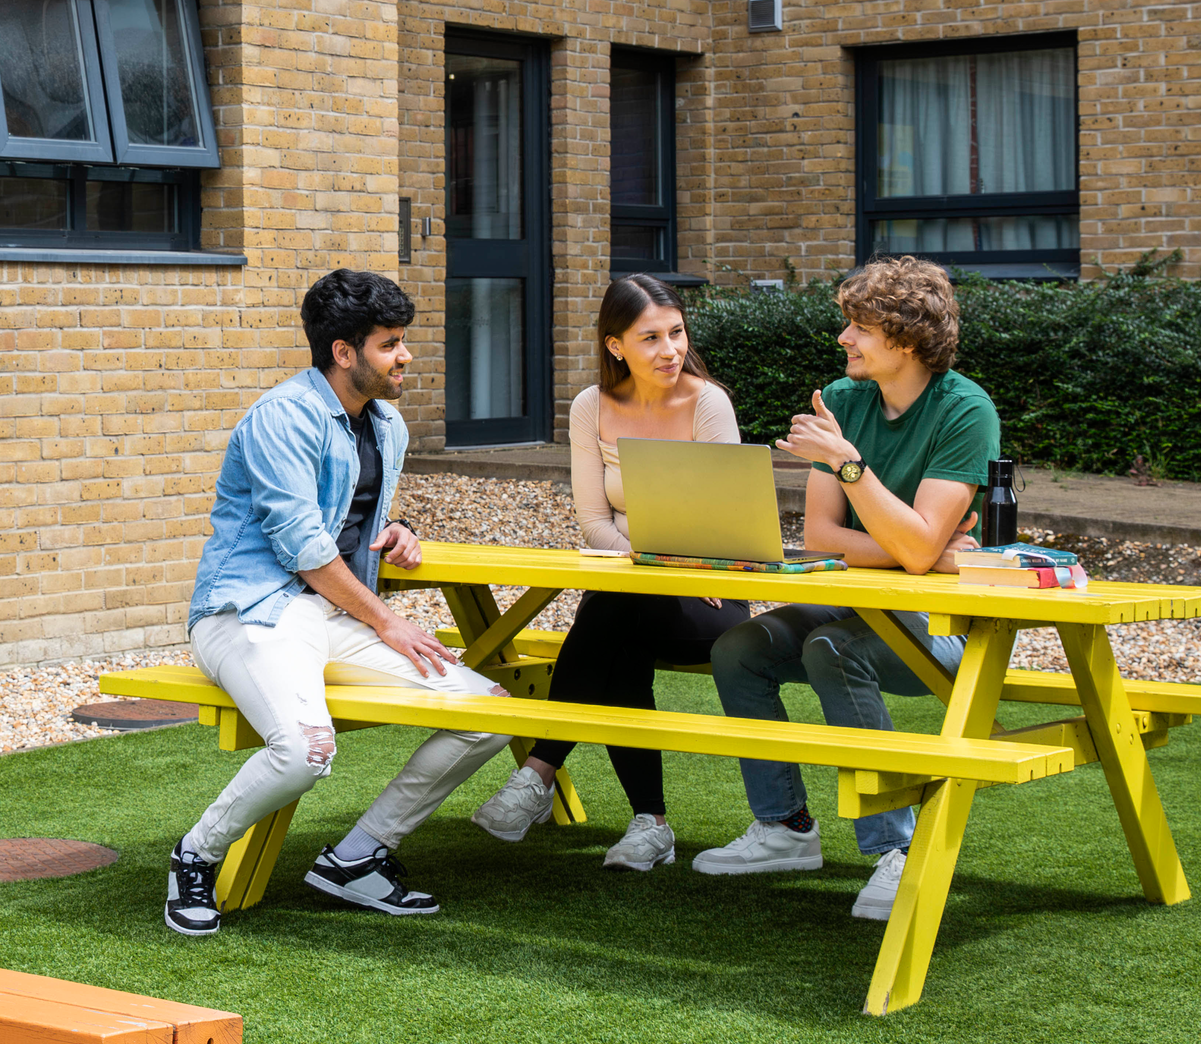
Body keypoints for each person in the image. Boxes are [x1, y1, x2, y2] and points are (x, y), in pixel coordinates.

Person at [163, 269, 511, 938]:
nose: (404, 355)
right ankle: (196, 855)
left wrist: (399, 528)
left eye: (403, 341)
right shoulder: (281, 419)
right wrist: (387, 619)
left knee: (488, 714)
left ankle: (355, 857)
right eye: (390, 344)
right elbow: (304, 549)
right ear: (343, 352)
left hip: (331, 615)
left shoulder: (386, 423)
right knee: (303, 749)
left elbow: (352, 516)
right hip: (253, 610)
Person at [692, 256, 999, 922]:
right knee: (740, 647)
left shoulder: (966, 410)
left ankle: (898, 849)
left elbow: (916, 550)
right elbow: (830, 537)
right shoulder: (843, 398)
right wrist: (918, 550)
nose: (844, 339)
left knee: (832, 647)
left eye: (858, 326)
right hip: (865, 598)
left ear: (907, 337)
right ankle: (783, 827)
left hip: (945, 632)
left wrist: (850, 465)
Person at [468, 274, 749, 870]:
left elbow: (727, 527)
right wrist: (649, 562)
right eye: (650, 338)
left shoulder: (707, 403)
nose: (670, 350)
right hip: (633, 590)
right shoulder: (591, 407)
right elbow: (593, 522)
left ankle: (540, 771)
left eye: (676, 333)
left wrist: (657, 564)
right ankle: (650, 825)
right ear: (616, 345)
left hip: (709, 598)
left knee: (610, 612)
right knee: (620, 620)